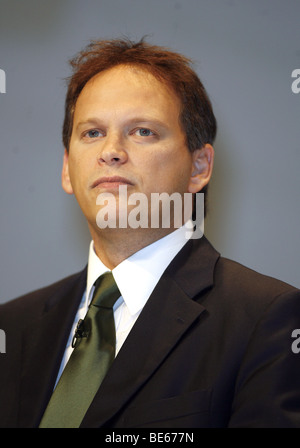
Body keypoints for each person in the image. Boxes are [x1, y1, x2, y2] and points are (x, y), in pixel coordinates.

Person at [0, 38, 300, 428]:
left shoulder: (267, 320)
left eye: (142, 131)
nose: (110, 151)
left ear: (199, 167)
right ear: (66, 168)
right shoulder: (12, 326)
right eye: (91, 133)